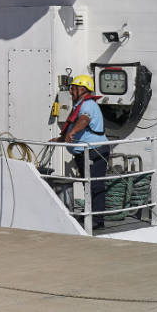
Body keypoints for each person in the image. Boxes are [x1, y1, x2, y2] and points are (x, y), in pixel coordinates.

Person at [59, 74, 111, 215]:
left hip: (95, 152)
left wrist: (72, 132)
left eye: (73, 88)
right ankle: (90, 216)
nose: (70, 92)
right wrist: (59, 140)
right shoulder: (80, 104)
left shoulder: (88, 105)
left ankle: (96, 220)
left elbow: (84, 120)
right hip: (86, 153)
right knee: (88, 185)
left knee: (95, 186)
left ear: (82, 89)